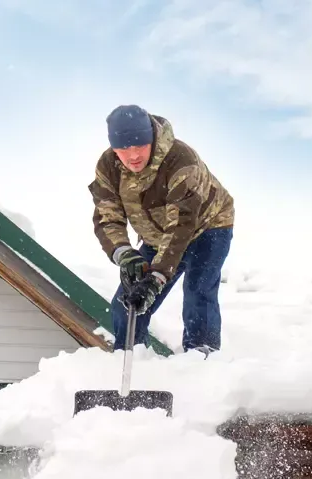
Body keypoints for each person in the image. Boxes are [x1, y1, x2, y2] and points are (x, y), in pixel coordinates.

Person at [88, 104, 235, 354]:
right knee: (128, 304)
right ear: (114, 147)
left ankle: (202, 361)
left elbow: (180, 225)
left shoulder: (180, 160)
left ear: (152, 139)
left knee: (198, 292)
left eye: (139, 146)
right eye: (124, 148)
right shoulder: (108, 167)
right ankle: (133, 361)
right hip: (156, 237)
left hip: (208, 228)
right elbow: (107, 216)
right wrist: (124, 254)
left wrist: (156, 277)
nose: (133, 155)